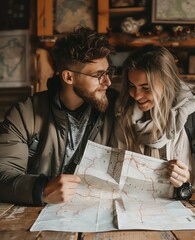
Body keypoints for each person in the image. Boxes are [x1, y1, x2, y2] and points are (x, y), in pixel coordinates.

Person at [0, 26, 118, 206]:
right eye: (98, 75)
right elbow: (3, 176)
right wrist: (42, 189)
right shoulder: (24, 114)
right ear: (69, 77)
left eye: (108, 72)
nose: (108, 82)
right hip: (36, 218)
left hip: (96, 211)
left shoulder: (115, 107)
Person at [111, 44, 195, 205]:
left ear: (167, 83)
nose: (137, 95)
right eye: (132, 86)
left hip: (185, 206)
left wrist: (187, 180)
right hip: (133, 206)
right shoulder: (124, 115)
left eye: (146, 87)